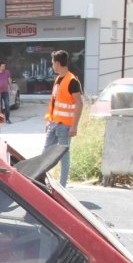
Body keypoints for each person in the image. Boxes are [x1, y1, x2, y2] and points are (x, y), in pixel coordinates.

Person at [43, 49, 83, 187]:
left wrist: (74, 125)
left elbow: (79, 103)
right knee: (46, 154)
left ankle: (62, 186)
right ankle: (42, 182)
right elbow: (54, 103)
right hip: (54, 124)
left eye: (53, 62)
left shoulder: (72, 81)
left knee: (63, 156)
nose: (52, 65)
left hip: (65, 126)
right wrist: (49, 119)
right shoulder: (58, 79)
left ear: (58, 63)